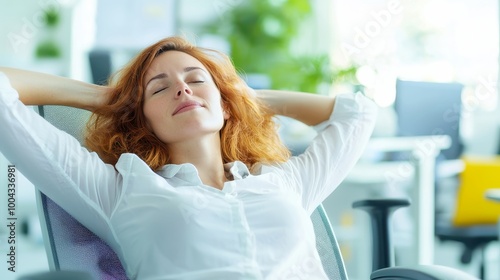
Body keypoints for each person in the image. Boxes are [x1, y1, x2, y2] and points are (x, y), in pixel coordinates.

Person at [0, 36, 377, 279]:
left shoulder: (283, 182)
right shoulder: (122, 192)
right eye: (159, 89)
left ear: (225, 105)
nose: (181, 88)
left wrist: (239, 97)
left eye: (196, 80)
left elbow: (357, 113)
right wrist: (105, 99)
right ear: (140, 117)